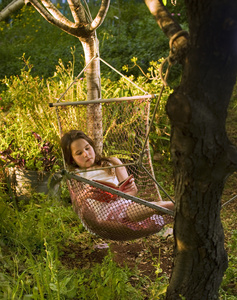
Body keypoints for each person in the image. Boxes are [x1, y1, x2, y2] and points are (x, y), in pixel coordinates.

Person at [61, 130, 174, 229]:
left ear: (92, 146)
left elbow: (131, 193)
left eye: (87, 148)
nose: (86, 154)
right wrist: (85, 195)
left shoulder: (112, 163)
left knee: (157, 207)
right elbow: (77, 206)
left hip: (125, 207)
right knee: (158, 207)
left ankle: (181, 205)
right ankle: (182, 204)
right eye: (79, 153)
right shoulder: (76, 175)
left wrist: (131, 188)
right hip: (103, 217)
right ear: (72, 159)